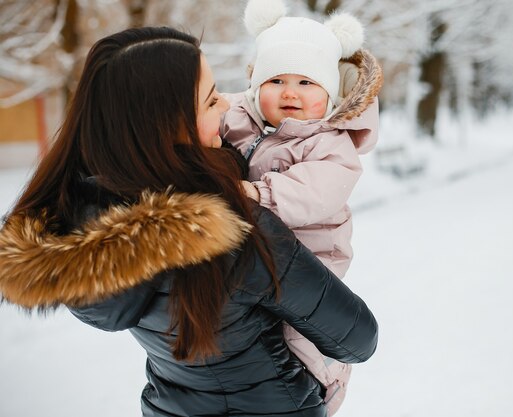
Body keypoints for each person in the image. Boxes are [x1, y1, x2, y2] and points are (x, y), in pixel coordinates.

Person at [0, 26, 378, 417]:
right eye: (211, 100)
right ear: (168, 122)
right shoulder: (234, 229)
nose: (226, 109)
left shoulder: (83, 219)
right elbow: (358, 339)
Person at [221, 0, 383, 414]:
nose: (290, 92)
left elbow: (317, 192)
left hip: (314, 256)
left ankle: (326, 387)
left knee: (301, 333)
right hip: (262, 254)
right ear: (256, 85)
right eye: (275, 79)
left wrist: (261, 194)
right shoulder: (241, 117)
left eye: (307, 83)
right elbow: (204, 111)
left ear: (329, 94)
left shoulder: (329, 143)